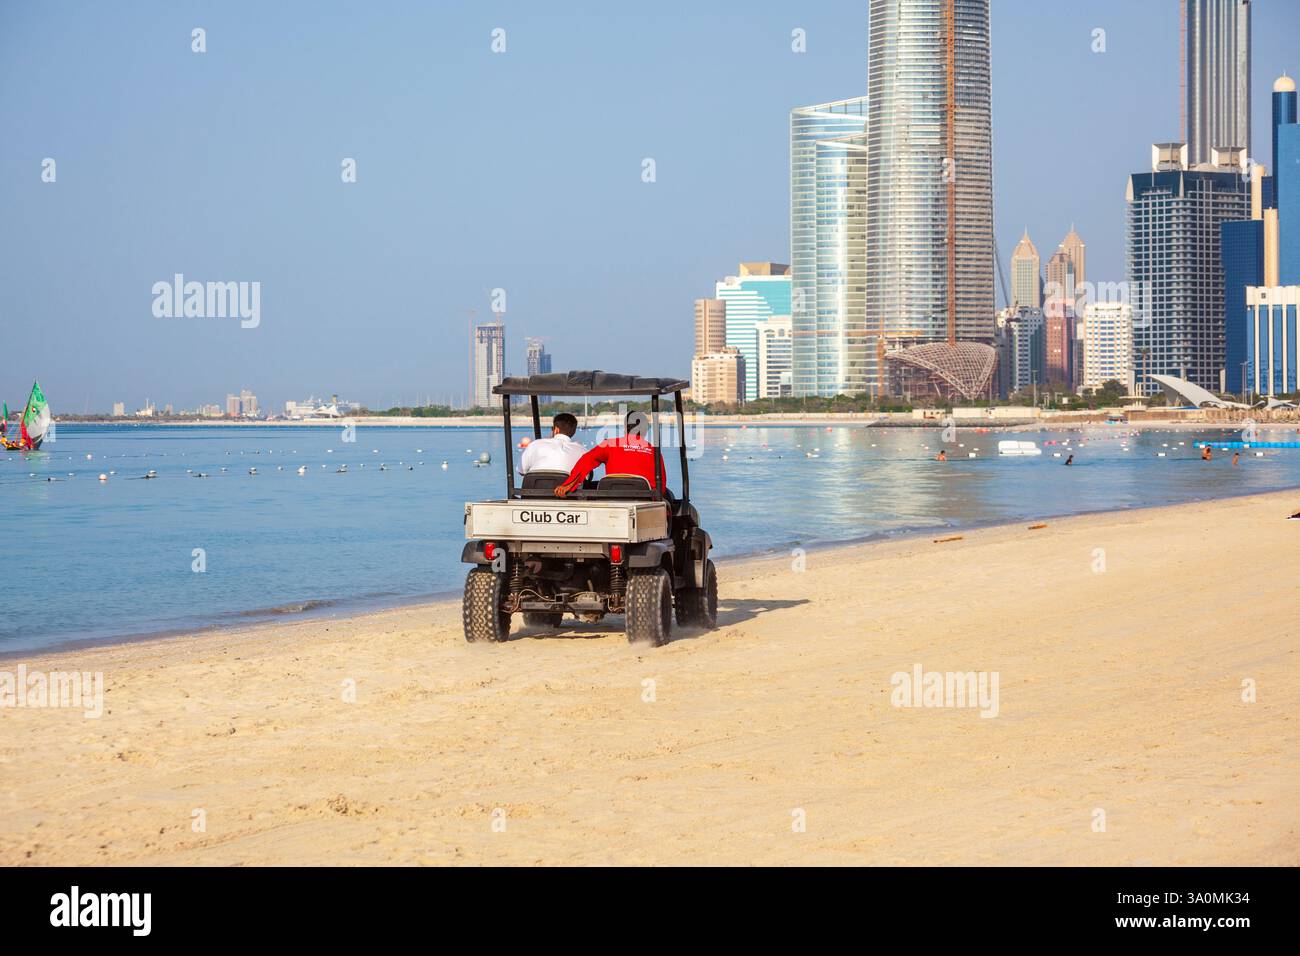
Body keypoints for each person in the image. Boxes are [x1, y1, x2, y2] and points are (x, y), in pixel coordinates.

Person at [555, 411, 668, 497]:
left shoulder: (609, 444)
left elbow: (586, 461)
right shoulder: (654, 452)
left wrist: (569, 484)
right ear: (645, 430)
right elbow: (661, 487)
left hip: (613, 496)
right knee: (668, 494)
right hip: (643, 500)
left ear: (625, 428)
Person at [519, 413, 585, 475]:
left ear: (556, 429)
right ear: (574, 431)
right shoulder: (581, 450)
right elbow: (586, 475)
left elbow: (521, 470)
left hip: (536, 486)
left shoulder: (535, 445)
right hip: (565, 486)